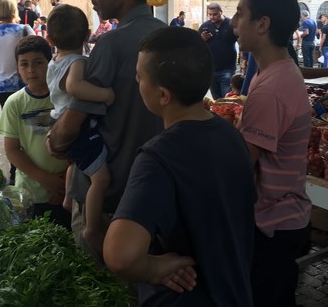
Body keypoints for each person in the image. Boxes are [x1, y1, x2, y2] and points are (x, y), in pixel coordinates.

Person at [103, 27, 255, 306]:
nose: (136, 81)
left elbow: (119, 255)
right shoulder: (231, 135)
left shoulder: (158, 157)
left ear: (163, 95)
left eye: (139, 77)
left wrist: (154, 268)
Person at [47, 0, 164, 255]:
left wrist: (55, 141)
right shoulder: (168, 37)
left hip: (109, 201)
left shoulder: (110, 44)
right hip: (156, 193)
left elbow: (71, 125)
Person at [230, 0, 312, 307]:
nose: (234, 23)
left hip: (271, 224)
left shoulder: (270, 88)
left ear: (263, 24)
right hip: (285, 216)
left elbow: (241, 163)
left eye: (240, 14)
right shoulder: (280, 72)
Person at [46, 4, 115, 252]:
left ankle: (67, 198)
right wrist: (104, 94)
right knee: (101, 177)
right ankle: (92, 227)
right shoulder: (77, 62)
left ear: (49, 38)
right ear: (87, 35)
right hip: (78, 128)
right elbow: (76, 88)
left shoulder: (54, 62)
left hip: (59, 121)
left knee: (76, 162)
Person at [0, 36, 71, 228]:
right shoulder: (15, 103)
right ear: (17, 67)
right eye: (24, 64)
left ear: (50, 62)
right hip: (32, 193)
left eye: (38, 63)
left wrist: (62, 183)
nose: (31, 70)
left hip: (67, 188)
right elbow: (12, 150)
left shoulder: (66, 99)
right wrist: (47, 181)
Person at [0, 0, 35, 109]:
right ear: (14, 9)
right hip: (25, 86)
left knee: (10, 123)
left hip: (2, 88)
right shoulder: (25, 30)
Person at [198, 2, 238, 99]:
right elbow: (197, 46)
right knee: (216, 100)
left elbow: (242, 41)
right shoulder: (204, 27)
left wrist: (244, 59)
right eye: (210, 14)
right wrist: (202, 39)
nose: (212, 17)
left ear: (221, 12)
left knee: (227, 98)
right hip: (211, 70)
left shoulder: (231, 25)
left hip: (227, 69)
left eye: (215, 14)